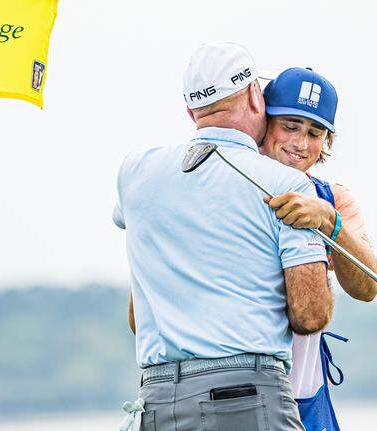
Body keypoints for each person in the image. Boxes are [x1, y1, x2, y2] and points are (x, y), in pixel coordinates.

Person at [114, 43, 333, 431]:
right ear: (254, 95)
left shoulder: (135, 172)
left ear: (189, 110)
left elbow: (137, 316)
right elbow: (310, 315)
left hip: (158, 398)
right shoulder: (288, 184)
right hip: (247, 396)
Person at [259, 67, 377, 430]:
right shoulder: (230, 182)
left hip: (308, 396)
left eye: (315, 133)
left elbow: (367, 288)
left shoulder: (334, 198)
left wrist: (330, 222)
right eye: (290, 126)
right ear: (265, 122)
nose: (301, 143)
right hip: (244, 394)